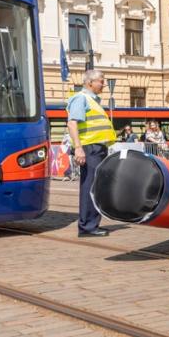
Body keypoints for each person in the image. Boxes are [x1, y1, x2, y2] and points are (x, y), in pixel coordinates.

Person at [66, 69, 114, 237]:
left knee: (96, 186)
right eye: (101, 80)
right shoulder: (81, 98)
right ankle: (87, 226)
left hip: (97, 148)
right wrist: (78, 148)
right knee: (90, 186)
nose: (104, 84)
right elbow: (72, 124)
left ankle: (92, 224)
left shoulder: (93, 101)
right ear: (89, 82)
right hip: (90, 148)